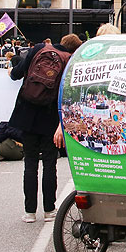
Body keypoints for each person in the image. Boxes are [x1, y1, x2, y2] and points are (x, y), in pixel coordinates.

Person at [9, 33, 81, 223]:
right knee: (50, 164)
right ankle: (49, 209)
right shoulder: (69, 61)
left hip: (27, 113)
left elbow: (16, 73)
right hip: (50, 115)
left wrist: (11, 73)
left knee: (30, 164)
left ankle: (29, 211)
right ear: (73, 49)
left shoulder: (39, 49)